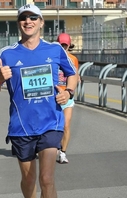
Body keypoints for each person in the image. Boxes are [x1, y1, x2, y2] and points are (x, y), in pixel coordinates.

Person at [0, 4, 78, 198]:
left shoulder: (54, 50)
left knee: (46, 179)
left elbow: (73, 76)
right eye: (23, 18)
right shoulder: (7, 53)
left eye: (33, 17)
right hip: (21, 127)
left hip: (50, 122)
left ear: (41, 22)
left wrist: (68, 92)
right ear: (19, 23)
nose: (28, 21)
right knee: (29, 179)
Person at [56, 33, 79, 164]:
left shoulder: (73, 59)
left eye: (65, 45)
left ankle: (63, 153)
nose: (63, 47)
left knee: (66, 125)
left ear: (69, 45)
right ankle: (51, 147)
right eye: (61, 44)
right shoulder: (52, 58)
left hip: (68, 97)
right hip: (54, 96)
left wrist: (75, 81)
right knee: (52, 127)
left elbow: (75, 75)